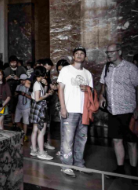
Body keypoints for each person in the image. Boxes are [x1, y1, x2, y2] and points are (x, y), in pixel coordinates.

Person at [100, 43, 138, 175]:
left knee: (131, 142)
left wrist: (137, 109)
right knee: (116, 140)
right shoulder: (106, 68)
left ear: (119, 52)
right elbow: (103, 84)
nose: (109, 54)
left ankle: (134, 170)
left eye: (111, 52)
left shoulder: (131, 68)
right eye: (107, 52)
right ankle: (120, 168)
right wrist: (101, 96)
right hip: (113, 110)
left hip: (128, 111)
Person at [57, 48, 94, 177]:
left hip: (83, 111)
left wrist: (87, 89)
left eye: (82, 54)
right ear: (73, 56)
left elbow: (92, 93)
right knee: (67, 139)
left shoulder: (87, 74)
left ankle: (79, 163)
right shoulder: (66, 70)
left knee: (82, 138)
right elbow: (60, 89)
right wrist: (63, 107)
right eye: (77, 54)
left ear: (85, 57)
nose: (79, 56)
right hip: (70, 109)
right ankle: (66, 165)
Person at [29, 67, 55, 160]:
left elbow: (39, 94)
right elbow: (37, 98)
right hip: (40, 108)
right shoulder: (37, 84)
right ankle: (41, 152)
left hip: (36, 108)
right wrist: (47, 95)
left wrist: (46, 85)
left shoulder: (36, 83)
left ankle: (34, 149)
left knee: (35, 130)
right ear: (43, 75)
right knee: (42, 131)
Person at [14, 74, 32, 141]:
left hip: (27, 106)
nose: (22, 81)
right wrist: (16, 93)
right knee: (17, 121)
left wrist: (24, 94)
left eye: (24, 80)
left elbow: (32, 97)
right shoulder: (18, 86)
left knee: (25, 122)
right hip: (19, 106)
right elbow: (15, 96)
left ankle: (25, 135)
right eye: (21, 80)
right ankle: (22, 132)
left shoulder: (29, 87)